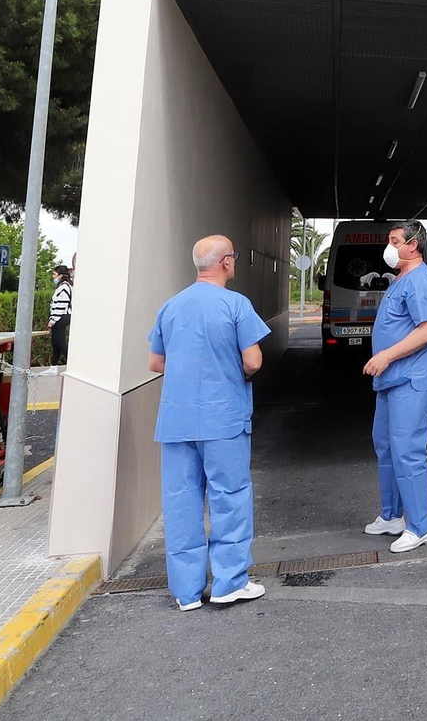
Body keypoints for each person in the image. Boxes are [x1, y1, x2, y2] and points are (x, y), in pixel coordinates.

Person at [148, 235, 272, 611]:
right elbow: (253, 361)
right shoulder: (235, 305)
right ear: (226, 263)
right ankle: (229, 583)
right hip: (223, 419)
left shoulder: (170, 307)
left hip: (177, 419)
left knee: (181, 501)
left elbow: (155, 363)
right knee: (229, 496)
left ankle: (186, 593)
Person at [362, 220, 427, 553]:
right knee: (385, 445)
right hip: (391, 381)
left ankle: (420, 526)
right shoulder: (400, 280)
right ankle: (392, 516)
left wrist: (386, 356)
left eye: (395, 241)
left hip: (411, 378)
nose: (390, 247)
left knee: (407, 451)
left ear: (414, 245)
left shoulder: (422, 281)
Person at [47, 264, 72, 365]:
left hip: (61, 317)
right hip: (60, 317)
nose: (53, 276)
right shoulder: (64, 286)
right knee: (56, 343)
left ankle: (71, 364)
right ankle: (53, 366)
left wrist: (52, 320)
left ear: (60, 275)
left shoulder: (64, 287)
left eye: (54, 274)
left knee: (60, 343)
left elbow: (62, 304)